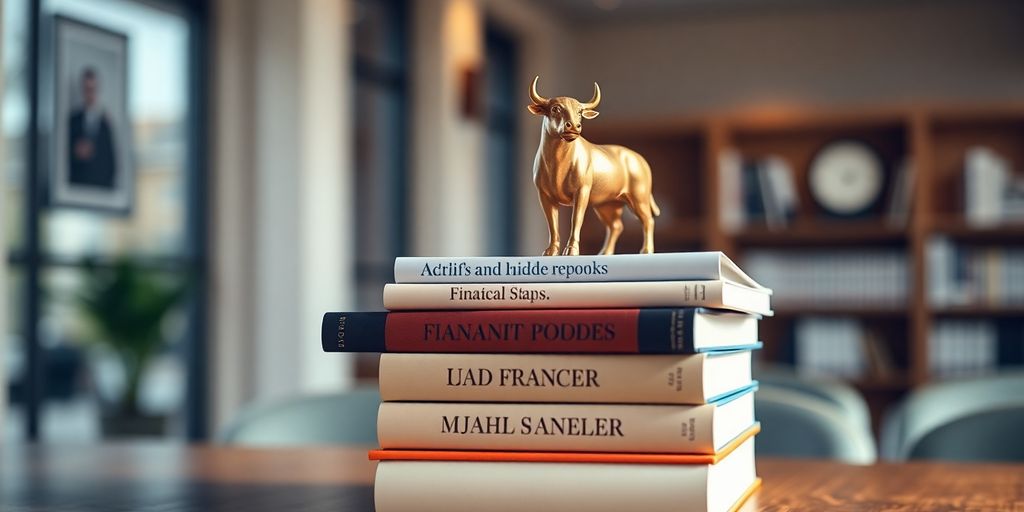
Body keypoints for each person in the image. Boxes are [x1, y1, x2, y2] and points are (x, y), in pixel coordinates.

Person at [68, 67, 117, 189]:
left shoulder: (106, 123)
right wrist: (76, 152)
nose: (90, 93)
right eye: (87, 89)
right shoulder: (73, 120)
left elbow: (111, 162)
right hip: (78, 187)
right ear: (82, 90)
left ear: (98, 90)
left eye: (93, 89)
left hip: (100, 189)